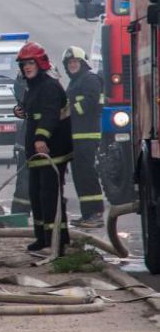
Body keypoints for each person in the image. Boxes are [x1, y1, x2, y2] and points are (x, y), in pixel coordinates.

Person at [13, 42, 72, 255]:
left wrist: (40, 137)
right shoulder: (34, 86)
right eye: (23, 64)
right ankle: (42, 238)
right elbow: (32, 108)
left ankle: (56, 240)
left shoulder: (49, 86)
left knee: (50, 196)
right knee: (36, 195)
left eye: (30, 63)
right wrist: (20, 110)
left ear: (40, 63)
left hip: (52, 152)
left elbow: (49, 115)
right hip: (37, 153)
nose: (27, 67)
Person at [63, 46, 105, 228]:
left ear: (83, 63)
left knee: (87, 175)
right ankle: (87, 214)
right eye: (69, 63)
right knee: (80, 176)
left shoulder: (89, 79)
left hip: (87, 136)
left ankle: (96, 214)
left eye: (75, 62)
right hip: (76, 137)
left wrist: (70, 107)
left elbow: (90, 102)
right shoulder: (75, 81)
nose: (72, 65)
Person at [10, 73, 31, 215]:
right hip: (27, 143)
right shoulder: (22, 81)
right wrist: (19, 110)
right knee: (24, 182)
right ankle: (19, 215)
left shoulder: (50, 88)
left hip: (46, 146)